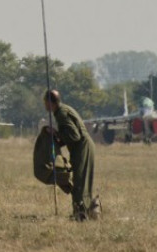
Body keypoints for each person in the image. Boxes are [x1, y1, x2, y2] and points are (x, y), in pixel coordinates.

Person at [44, 89, 101, 221]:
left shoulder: (62, 114)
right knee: (79, 181)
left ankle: (82, 213)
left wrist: (56, 134)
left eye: (45, 102)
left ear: (50, 102)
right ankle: (83, 211)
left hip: (82, 147)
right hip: (80, 148)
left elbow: (74, 136)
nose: (45, 105)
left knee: (80, 182)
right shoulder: (61, 110)